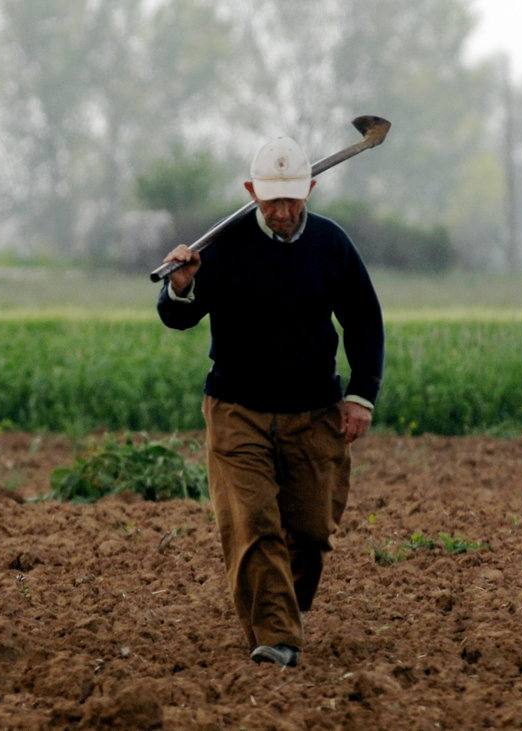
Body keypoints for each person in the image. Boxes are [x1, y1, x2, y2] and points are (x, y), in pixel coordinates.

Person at [157, 135, 385, 669]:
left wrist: (360, 396)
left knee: (308, 532)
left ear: (309, 188)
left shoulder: (332, 246)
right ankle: (277, 636)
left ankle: (281, 615)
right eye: (271, 200)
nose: (282, 212)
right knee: (253, 524)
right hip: (237, 411)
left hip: (314, 412)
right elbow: (178, 317)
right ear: (250, 191)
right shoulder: (222, 247)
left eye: (292, 199)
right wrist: (182, 286)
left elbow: (365, 323)